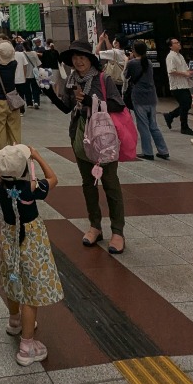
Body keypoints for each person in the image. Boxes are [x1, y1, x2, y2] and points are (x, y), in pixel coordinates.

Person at [47, 41, 127, 255]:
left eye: (82, 57)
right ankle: (95, 226)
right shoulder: (72, 80)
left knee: (110, 183)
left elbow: (118, 104)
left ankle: (117, 231)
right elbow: (67, 108)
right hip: (80, 135)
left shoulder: (103, 79)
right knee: (88, 183)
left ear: (90, 59)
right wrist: (49, 93)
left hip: (103, 138)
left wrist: (92, 102)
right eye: (74, 58)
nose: (78, 61)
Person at [0, 144, 63, 366]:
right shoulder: (31, 188)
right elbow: (54, 178)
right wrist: (38, 157)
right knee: (31, 292)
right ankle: (27, 346)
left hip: (10, 238)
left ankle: (14, 321)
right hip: (31, 241)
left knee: (13, 279)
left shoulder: (1, 187)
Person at [124, 41, 169, 161]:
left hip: (139, 97)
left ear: (134, 50)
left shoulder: (132, 63)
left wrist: (127, 60)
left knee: (143, 125)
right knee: (153, 125)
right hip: (151, 97)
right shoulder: (148, 62)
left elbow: (125, 76)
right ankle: (163, 150)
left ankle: (148, 152)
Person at [0, 40, 22, 150]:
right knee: (15, 130)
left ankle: (3, 155)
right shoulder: (14, 64)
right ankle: (16, 154)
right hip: (12, 101)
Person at [163, 38, 193, 136]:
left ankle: (170, 116)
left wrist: (189, 73)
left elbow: (184, 68)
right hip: (177, 85)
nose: (178, 44)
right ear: (170, 46)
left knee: (186, 104)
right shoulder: (171, 57)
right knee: (185, 104)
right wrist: (185, 73)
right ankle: (184, 126)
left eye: (178, 42)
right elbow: (171, 70)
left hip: (184, 83)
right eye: (176, 43)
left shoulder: (180, 55)